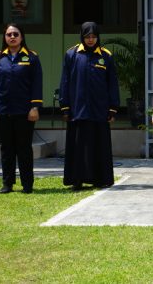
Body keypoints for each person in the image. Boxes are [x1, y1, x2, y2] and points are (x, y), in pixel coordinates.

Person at [59, 21, 119, 191]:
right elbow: (65, 80)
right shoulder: (72, 54)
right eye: (87, 37)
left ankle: (100, 179)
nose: (91, 40)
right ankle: (77, 180)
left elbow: (112, 83)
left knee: (99, 145)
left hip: (100, 110)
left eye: (94, 36)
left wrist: (113, 108)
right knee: (77, 146)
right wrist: (65, 106)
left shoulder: (106, 55)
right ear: (82, 37)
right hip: (77, 109)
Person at [0, 24, 43, 194]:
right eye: (9, 34)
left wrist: (35, 107)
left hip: (25, 112)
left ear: (21, 37)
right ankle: (7, 184)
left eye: (15, 34)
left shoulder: (32, 57)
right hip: (3, 111)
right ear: (4, 37)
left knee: (24, 149)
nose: (12, 37)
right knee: (7, 149)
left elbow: (37, 84)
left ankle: (27, 184)